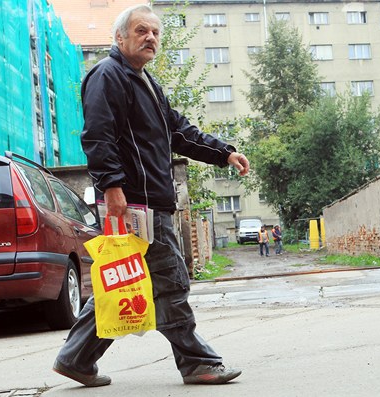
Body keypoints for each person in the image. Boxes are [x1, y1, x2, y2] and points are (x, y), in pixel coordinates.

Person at [52, 4, 249, 387]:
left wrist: (223, 152)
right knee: (169, 281)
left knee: (122, 282)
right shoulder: (108, 76)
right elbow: (97, 135)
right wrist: (112, 189)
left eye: (155, 33)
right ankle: (197, 362)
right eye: (141, 31)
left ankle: (75, 357)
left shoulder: (145, 82)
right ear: (120, 38)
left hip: (147, 202)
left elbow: (178, 132)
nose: (151, 38)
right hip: (134, 204)